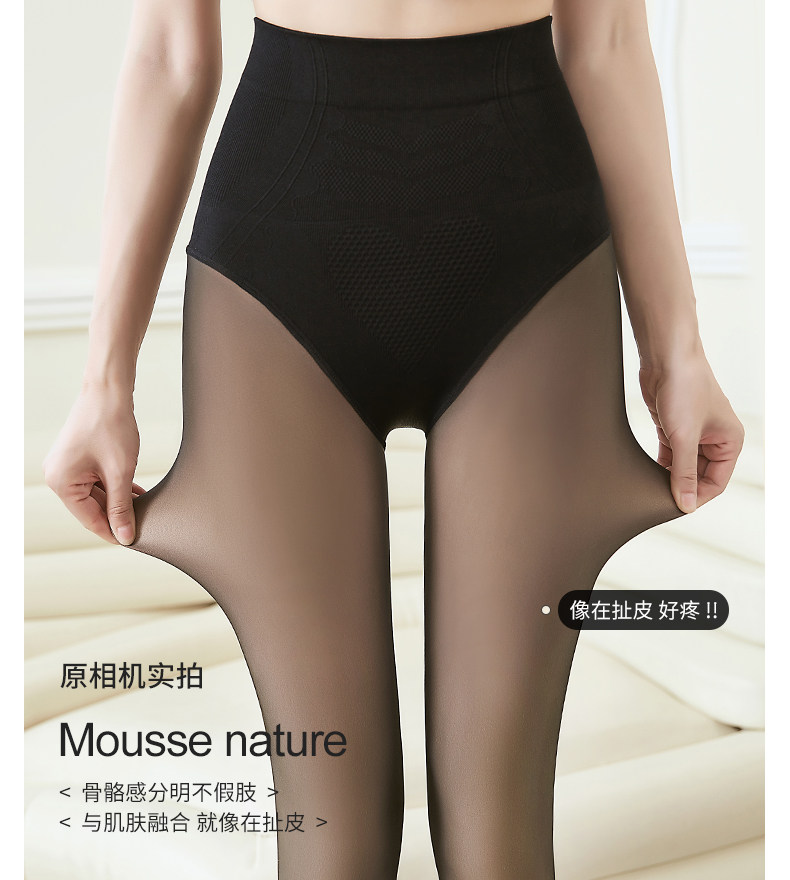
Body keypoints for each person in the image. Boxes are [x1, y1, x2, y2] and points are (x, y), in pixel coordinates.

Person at [42, 1, 745, 877]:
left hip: (534, 251)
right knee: (329, 845)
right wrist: (101, 383)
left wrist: (676, 354)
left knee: (499, 844)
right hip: (275, 264)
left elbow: (605, 42)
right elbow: (168, 58)